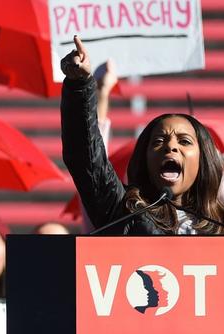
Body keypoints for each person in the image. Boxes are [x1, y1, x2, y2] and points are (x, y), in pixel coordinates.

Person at [61, 36, 224, 234]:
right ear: (144, 159)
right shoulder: (126, 214)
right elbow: (87, 162)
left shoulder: (218, 226)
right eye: (159, 141)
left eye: (184, 141)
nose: (171, 146)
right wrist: (80, 85)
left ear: (203, 160)